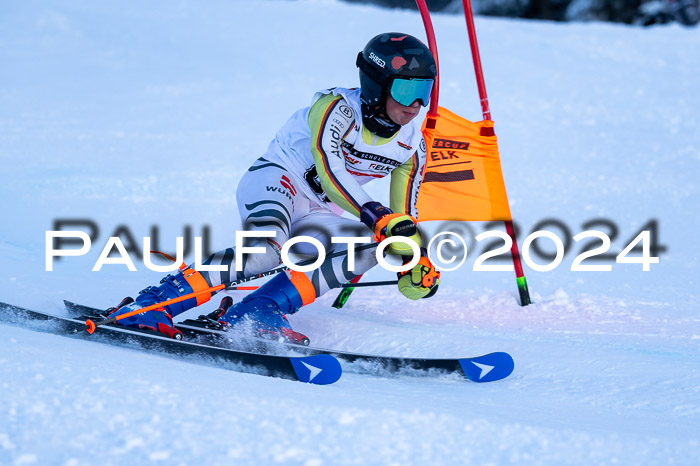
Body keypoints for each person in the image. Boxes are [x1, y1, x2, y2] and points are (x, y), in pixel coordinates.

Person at [107, 32, 441, 343]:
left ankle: (257, 310)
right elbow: (329, 170)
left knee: (376, 245)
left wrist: (414, 258)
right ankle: (150, 304)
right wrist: (376, 213)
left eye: (423, 93)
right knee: (264, 253)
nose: (415, 105)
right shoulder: (336, 109)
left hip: (320, 210)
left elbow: (403, 219)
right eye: (406, 91)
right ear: (376, 84)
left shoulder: (413, 146)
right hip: (277, 181)